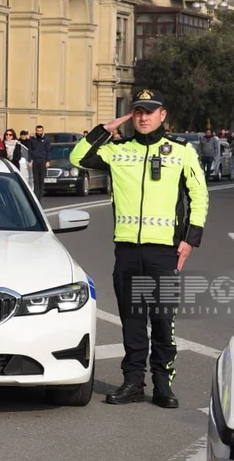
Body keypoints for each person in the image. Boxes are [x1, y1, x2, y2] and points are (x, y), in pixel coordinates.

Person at [70, 88, 208, 409]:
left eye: (150, 111)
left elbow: (198, 195)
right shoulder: (118, 151)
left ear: (163, 115)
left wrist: (191, 238)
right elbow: (78, 157)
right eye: (138, 111)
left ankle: (162, 383)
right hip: (128, 250)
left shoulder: (181, 151)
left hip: (164, 252)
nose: (144, 117)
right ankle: (133, 381)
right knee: (131, 321)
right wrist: (106, 129)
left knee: (162, 320)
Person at [28, 125, 51, 199]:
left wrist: (48, 161)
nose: (39, 132)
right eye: (38, 131)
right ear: (36, 131)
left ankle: (40, 196)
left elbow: (48, 151)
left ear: (42, 131)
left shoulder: (46, 139)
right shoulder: (32, 139)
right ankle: (36, 196)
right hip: (35, 161)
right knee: (36, 180)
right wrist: (30, 160)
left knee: (41, 180)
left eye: (40, 131)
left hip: (43, 161)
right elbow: (30, 150)